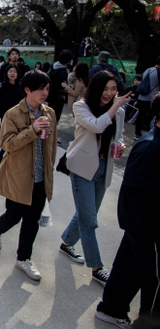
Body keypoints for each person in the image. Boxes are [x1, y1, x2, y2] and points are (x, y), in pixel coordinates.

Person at [95, 93, 160, 328]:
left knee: (128, 267)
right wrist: (143, 229)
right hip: (147, 226)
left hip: (141, 225)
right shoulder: (150, 148)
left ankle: (111, 309)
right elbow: (136, 192)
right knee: (155, 280)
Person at [59, 71, 129, 285]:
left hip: (104, 167)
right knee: (89, 219)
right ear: (96, 88)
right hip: (82, 167)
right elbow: (97, 125)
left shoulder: (119, 112)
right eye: (106, 89)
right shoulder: (81, 106)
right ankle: (97, 267)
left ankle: (67, 242)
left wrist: (122, 145)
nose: (109, 94)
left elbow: (118, 136)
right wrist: (115, 106)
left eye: (113, 89)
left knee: (87, 212)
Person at [0, 70, 57, 281]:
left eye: (47, 88)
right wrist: (32, 130)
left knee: (32, 220)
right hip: (19, 176)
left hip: (40, 176)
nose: (44, 93)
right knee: (13, 216)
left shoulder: (50, 113)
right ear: (27, 90)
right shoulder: (13, 114)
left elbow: (52, 145)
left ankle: (23, 259)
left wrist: (49, 170)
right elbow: (7, 144)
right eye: (40, 89)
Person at [134, 56, 160, 140]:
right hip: (152, 98)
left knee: (140, 115)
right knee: (151, 117)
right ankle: (150, 134)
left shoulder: (148, 70)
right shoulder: (158, 72)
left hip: (142, 96)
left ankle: (137, 134)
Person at [48, 49, 73, 122]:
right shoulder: (63, 72)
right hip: (58, 97)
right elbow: (63, 85)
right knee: (55, 117)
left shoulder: (53, 65)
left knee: (48, 114)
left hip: (49, 94)